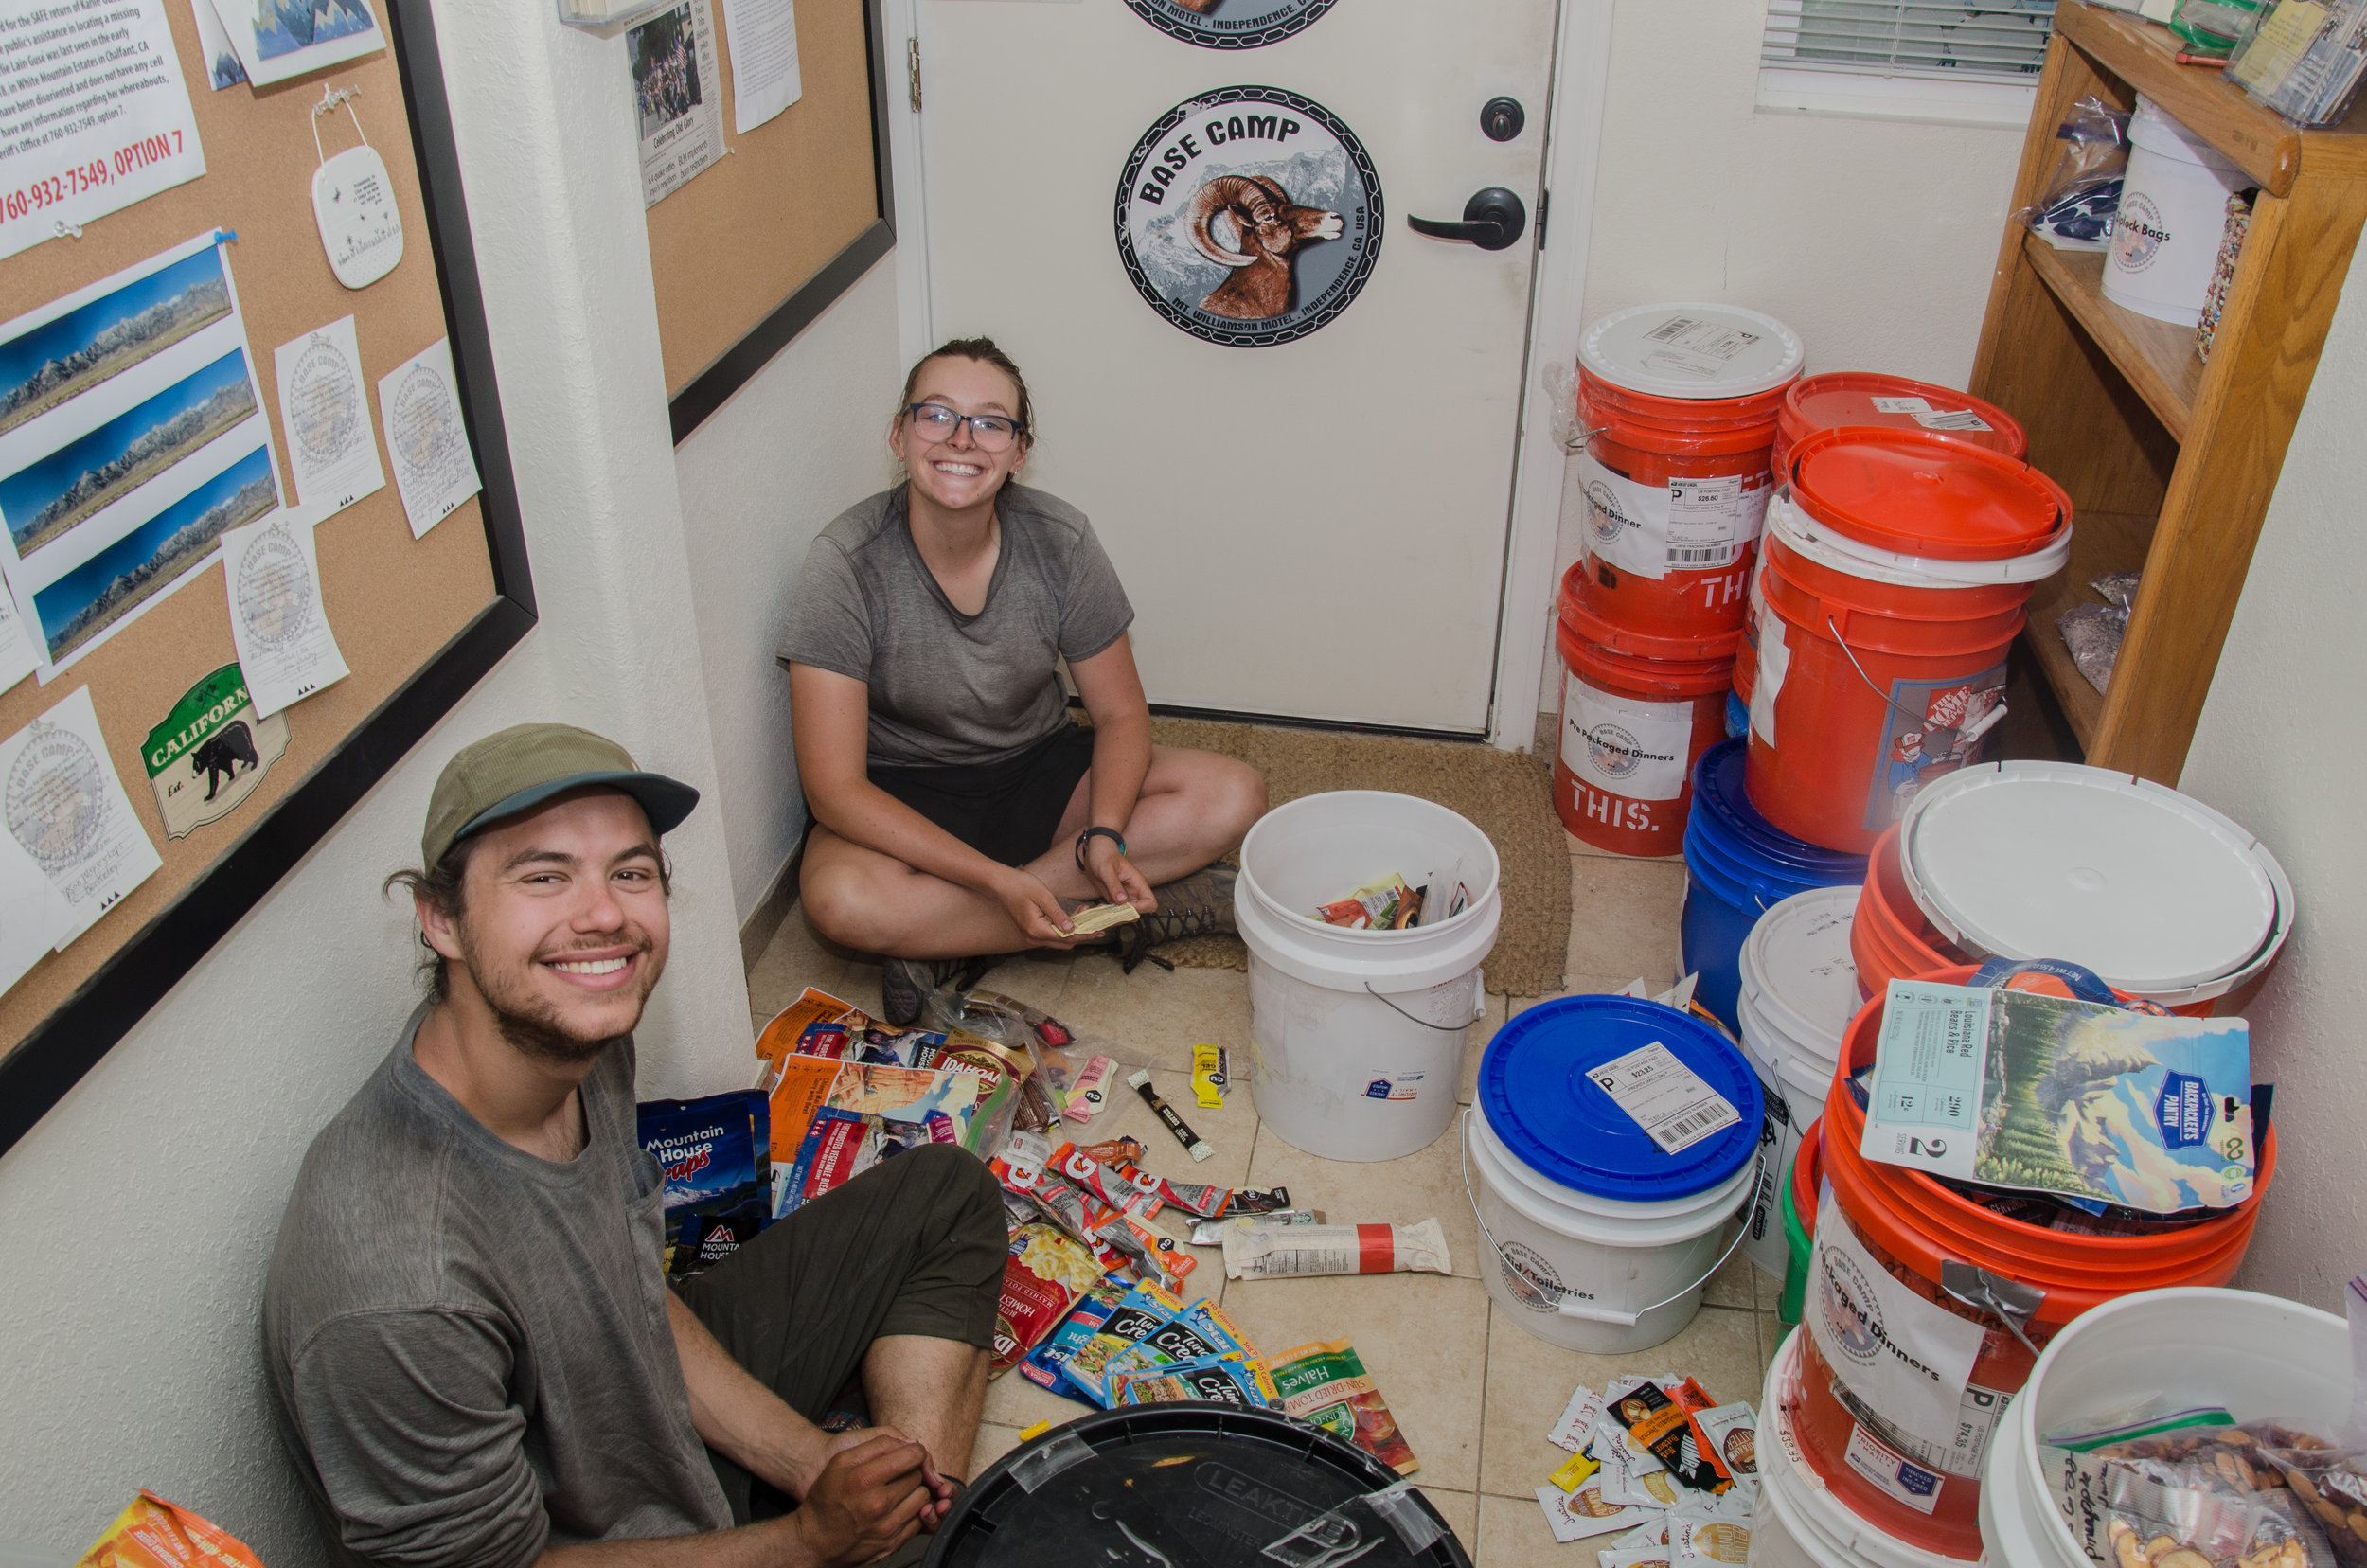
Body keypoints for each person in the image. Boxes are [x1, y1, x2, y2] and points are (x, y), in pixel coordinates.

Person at [262, 722, 1006, 1568]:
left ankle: (909, 1521)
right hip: (593, 1547)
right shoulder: (399, 1286)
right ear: (444, 922)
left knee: (944, 1192)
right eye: (544, 876)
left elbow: (632, 1290)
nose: (605, 916)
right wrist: (805, 1542)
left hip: (651, 1435)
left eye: (631, 872)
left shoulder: (572, 1039)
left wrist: (815, 1462)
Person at [780, 337, 1267, 1024]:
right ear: (899, 434)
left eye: (990, 422)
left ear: (1019, 450)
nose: (962, 440)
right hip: (903, 790)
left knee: (1231, 794)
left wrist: (1105, 835)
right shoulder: (844, 563)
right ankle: (1129, 912)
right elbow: (834, 790)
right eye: (936, 415)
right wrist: (993, 880)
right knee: (839, 903)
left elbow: (1122, 717)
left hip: (1038, 767)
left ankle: (947, 939)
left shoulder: (1060, 539)